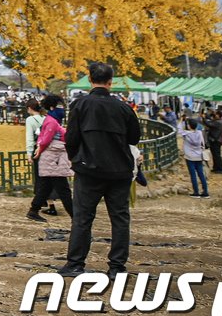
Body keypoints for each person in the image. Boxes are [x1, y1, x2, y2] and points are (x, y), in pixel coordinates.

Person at [60, 62, 141, 278]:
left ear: (89, 79)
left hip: (88, 169)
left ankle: (75, 263)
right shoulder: (124, 107)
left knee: (82, 218)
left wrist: (74, 159)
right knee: (120, 218)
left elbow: (72, 137)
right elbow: (134, 137)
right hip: (120, 170)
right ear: (110, 82)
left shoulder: (80, 104)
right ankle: (117, 267)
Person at [28, 95, 74, 220]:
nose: (62, 109)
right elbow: (45, 139)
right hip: (54, 159)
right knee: (64, 190)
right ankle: (76, 216)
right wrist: (39, 149)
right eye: (60, 106)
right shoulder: (52, 121)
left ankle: (33, 210)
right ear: (52, 107)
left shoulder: (52, 120)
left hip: (52, 158)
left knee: (46, 186)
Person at [178, 117, 209, 198]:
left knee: (193, 175)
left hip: (190, 157)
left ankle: (196, 192)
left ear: (189, 126)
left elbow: (179, 130)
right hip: (199, 156)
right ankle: (205, 192)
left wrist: (181, 121)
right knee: (201, 174)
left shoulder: (186, 134)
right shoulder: (199, 133)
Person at [203, 109, 222, 174]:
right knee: (215, 155)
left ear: (218, 115)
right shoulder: (218, 121)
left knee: (217, 155)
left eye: (215, 114)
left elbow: (209, 124)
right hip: (215, 140)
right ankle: (216, 167)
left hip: (216, 140)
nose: (214, 115)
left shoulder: (218, 122)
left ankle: (220, 169)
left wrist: (204, 118)